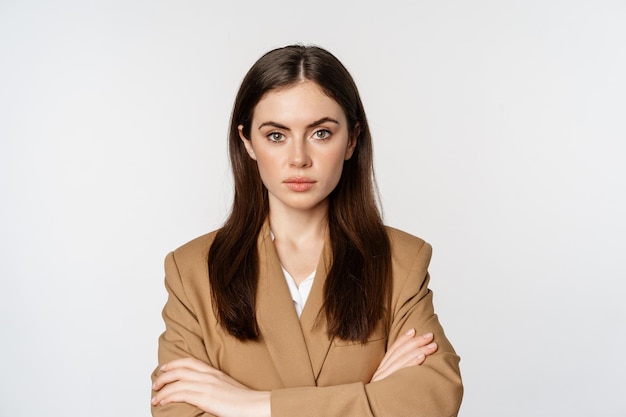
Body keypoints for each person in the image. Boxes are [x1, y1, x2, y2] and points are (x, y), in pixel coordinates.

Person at [150, 44, 463, 417]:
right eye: (276, 136)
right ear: (247, 141)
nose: (298, 158)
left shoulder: (402, 260)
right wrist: (371, 396)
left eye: (321, 133)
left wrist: (251, 405)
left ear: (351, 139)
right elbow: (176, 411)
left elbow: (432, 399)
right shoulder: (192, 270)